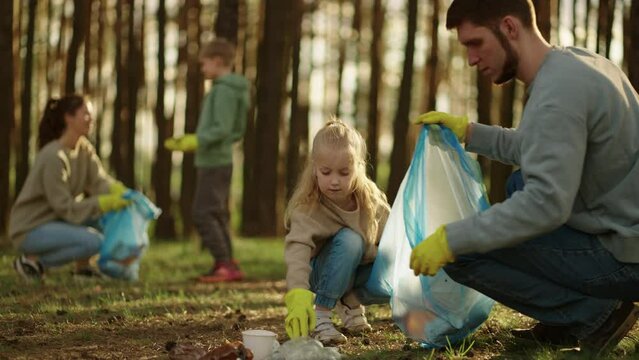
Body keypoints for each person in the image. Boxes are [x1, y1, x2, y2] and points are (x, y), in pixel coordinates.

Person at [409, 0, 639, 355]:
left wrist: (451, 239)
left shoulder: (556, 94)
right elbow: (543, 147)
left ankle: (597, 315)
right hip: (625, 226)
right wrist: (469, 132)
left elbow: (547, 204)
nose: (471, 59)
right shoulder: (575, 64)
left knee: (462, 254)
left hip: (624, 258)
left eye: (475, 43)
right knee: (519, 182)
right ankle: (574, 313)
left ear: (509, 28)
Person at [283, 119, 390, 345]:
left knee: (394, 262)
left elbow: (395, 236)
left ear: (358, 168)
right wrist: (298, 295)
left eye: (344, 172)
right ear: (314, 170)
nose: (334, 181)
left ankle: (351, 301)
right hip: (320, 273)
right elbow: (297, 252)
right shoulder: (309, 207)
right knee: (351, 240)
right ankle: (322, 314)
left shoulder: (370, 200)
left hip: (354, 270)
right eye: (326, 172)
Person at [9, 94, 130, 281]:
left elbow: (99, 180)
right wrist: (101, 202)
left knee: (106, 221)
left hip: (55, 220)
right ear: (69, 117)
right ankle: (33, 262)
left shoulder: (84, 149)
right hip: (30, 228)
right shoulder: (54, 157)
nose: (91, 119)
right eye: (86, 114)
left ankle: (83, 270)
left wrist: (119, 191)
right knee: (94, 241)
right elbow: (65, 207)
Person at [165, 38, 250, 283]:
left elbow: (222, 129)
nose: (202, 69)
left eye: (204, 64)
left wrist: (197, 140)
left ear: (217, 61)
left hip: (214, 160)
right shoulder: (227, 89)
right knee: (216, 213)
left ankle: (224, 263)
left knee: (202, 213)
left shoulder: (223, 90)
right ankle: (227, 263)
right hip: (217, 159)